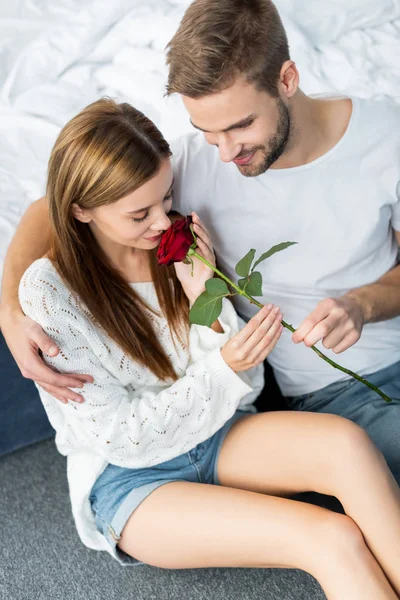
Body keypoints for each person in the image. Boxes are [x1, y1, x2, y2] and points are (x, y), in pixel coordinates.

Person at [11, 96, 400, 600]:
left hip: (219, 433)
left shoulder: (177, 247)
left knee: (346, 445)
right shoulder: (49, 294)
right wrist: (222, 367)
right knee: (331, 537)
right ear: (82, 210)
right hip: (132, 477)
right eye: (138, 214)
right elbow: (119, 439)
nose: (161, 222)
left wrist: (205, 302)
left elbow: (247, 386)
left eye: (165, 198)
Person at [0, 0, 399, 474]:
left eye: (241, 125)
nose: (227, 152)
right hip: (345, 389)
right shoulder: (191, 168)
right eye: (206, 131)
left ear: (287, 80)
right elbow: (54, 206)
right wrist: (9, 312)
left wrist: (363, 304)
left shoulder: (386, 135)